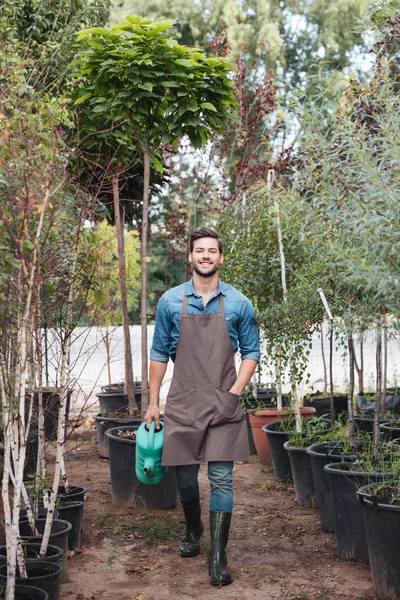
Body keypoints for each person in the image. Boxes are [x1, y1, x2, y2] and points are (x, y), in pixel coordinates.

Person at [145, 227, 260, 586]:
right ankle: (193, 526)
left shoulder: (239, 304)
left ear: (220, 258)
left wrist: (235, 391)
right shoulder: (170, 302)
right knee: (184, 476)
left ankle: (217, 555)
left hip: (223, 402)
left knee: (222, 478)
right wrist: (152, 402)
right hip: (182, 401)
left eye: (212, 251)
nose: (206, 256)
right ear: (190, 257)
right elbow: (160, 353)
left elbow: (251, 352)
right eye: (200, 251)